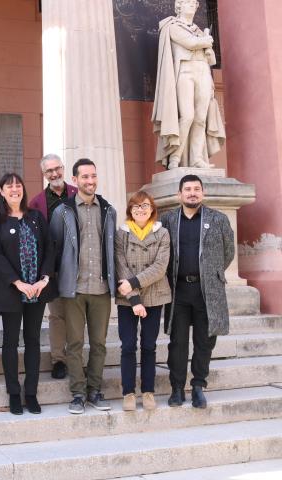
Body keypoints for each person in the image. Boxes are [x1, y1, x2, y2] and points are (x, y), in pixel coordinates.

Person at [49, 158, 116, 415]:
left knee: (98, 343)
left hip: (101, 288)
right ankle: (78, 393)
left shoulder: (108, 210)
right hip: (73, 289)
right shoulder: (62, 211)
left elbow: (113, 248)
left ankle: (95, 391)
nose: (90, 181)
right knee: (74, 343)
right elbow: (54, 248)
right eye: (84, 177)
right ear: (74, 181)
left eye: (93, 176)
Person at [161, 174, 234, 408]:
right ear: (179, 194)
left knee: (205, 341)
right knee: (178, 342)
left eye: (197, 189)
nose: (192, 193)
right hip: (179, 290)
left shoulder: (218, 219)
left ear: (203, 192)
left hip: (207, 291)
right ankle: (177, 388)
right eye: (188, 189)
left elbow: (228, 251)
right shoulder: (168, 220)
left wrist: (211, 273)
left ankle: (199, 386)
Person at [0, 173, 57, 415]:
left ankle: (31, 393)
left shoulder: (35, 217)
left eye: (19, 185)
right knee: (10, 342)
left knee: (33, 341)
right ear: (1, 192)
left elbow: (50, 248)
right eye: (10, 186)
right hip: (12, 291)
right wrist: (18, 283)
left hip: (37, 290)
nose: (15, 189)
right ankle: (14, 393)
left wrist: (45, 279)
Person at [115, 191, 171, 411]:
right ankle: (128, 393)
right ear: (130, 209)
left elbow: (160, 267)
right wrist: (134, 299)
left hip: (155, 296)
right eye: (136, 206)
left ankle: (148, 391)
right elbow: (121, 266)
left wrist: (135, 282)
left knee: (149, 346)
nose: (141, 209)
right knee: (128, 346)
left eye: (145, 205)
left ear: (152, 208)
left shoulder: (162, 233)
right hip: (127, 298)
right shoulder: (122, 233)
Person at [152, 0, 225, 169]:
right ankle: (175, 157)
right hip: (185, 71)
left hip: (203, 72)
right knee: (187, 116)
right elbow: (190, 43)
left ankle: (197, 158)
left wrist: (206, 43)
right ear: (179, 6)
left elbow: (211, 58)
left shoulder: (199, 31)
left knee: (201, 119)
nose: (192, 5)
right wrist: (206, 41)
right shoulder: (172, 26)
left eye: (194, 3)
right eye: (187, 2)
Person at [29, 153, 78, 379]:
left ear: (63, 168)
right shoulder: (37, 202)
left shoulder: (78, 194)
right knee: (57, 316)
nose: (55, 173)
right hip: (53, 269)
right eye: (49, 171)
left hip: (79, 268)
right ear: (44, 174)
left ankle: (76, 358)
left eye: (57, 168)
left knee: (77, 315)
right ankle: (59, 359)